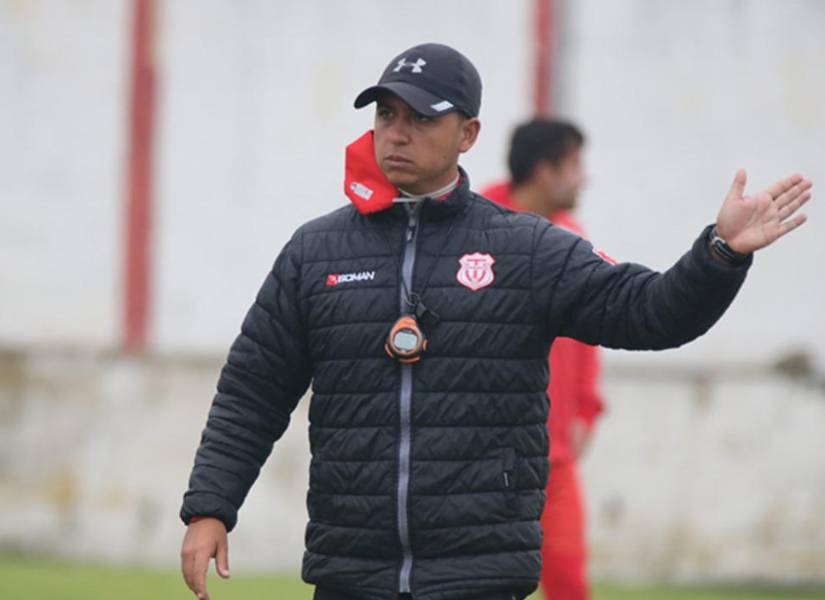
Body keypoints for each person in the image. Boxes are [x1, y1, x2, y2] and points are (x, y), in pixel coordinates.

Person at [179, 42, 811, 600]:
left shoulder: (528, 249)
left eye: (421, 118)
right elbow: (251, 392)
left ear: (468, 133)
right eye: (385, 115)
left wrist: (719, 254)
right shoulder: (314, 252)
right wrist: (210, 508)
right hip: (350, 573)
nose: (396, 134)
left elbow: (649, 312)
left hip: (479, 574)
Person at [482, 119, 603, 600]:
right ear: (544, 170)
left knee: (571, 585)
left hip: (553, 460)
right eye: (574, 165)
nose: (583, 178)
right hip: (481, 460)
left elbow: (589, 332)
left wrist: (586, 408)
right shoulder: (475, 225)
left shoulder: (571, 238)